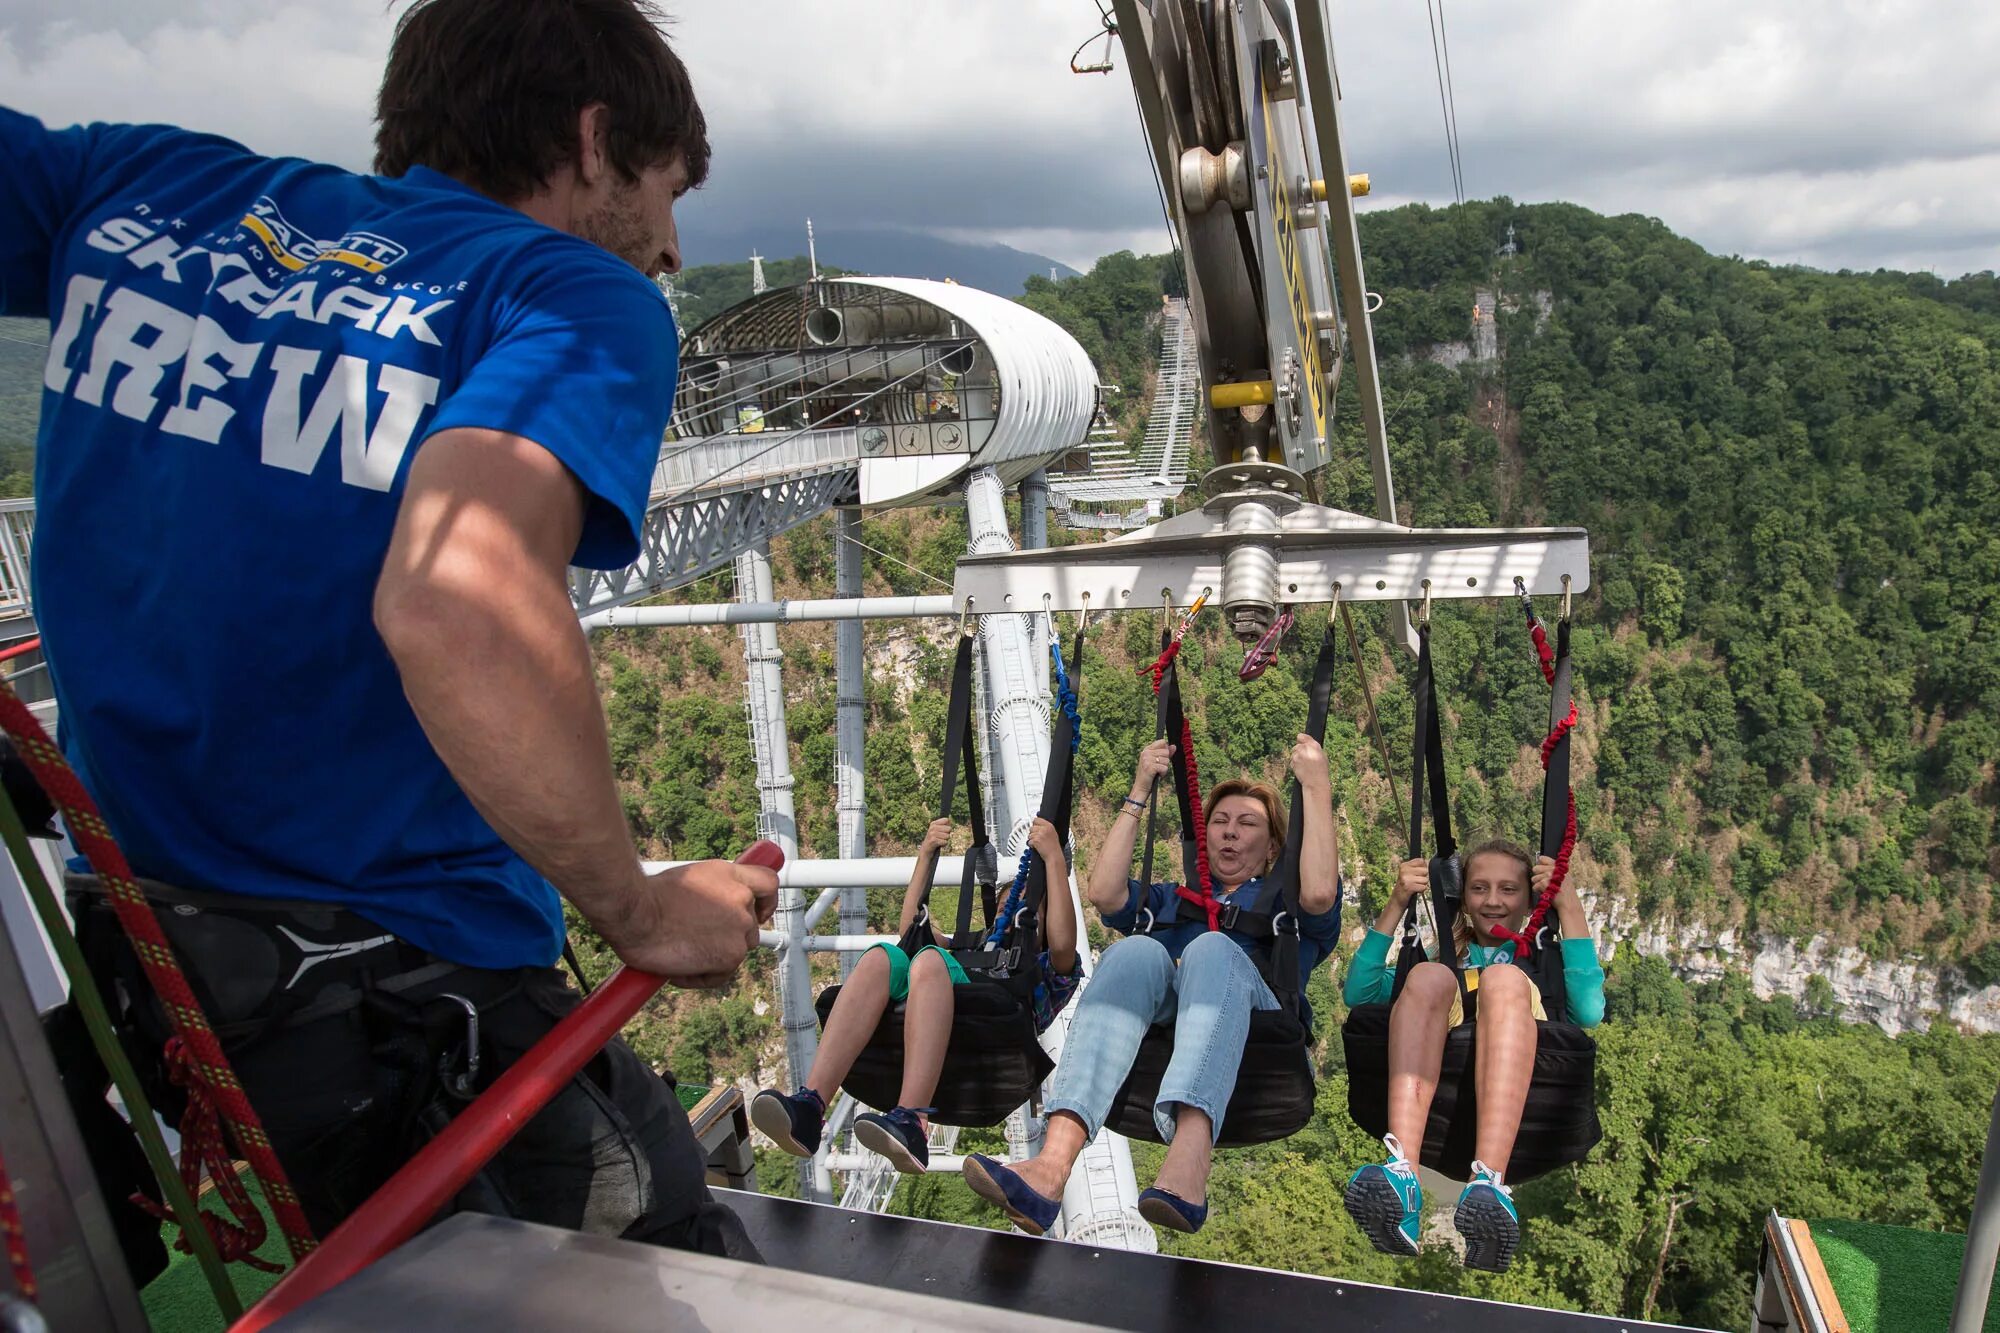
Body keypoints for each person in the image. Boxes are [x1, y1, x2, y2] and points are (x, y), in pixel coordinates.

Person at [0, 0, 778, 1259]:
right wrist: (636, 910)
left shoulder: (138, 186)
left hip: (156, 984)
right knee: (660, 1265)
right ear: (592, 140)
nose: (672, 247)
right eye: (664, 189)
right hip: (395, 1000)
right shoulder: (565, 296)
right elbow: (452, 602)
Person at [963, 735, 1340, 1236]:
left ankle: (1190, 1161)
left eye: (1246, 824)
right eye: (1219, 823)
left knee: (1210, 949)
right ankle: (1051, 1167)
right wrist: (1141, 788)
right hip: (1171, 1019)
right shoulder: (1173, 899)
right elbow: (1103, 893)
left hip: (1262, 1027)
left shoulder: (1288, 907)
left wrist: (1315, 786)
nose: (1229, 834)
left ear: (1272, 847)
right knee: (1134, 951)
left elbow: (1318, 891)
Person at [752, 815, 1080, 1172]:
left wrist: (1055, 863)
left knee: (927, 961)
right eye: (1003, 904)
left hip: (998, 1032)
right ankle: (810, 1106)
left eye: (1027, 911)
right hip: (951, 1013)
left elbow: (1063, 941)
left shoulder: (1047, 970)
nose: (1009, 909)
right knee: (883, 957)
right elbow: (913, 931)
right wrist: (925, 856)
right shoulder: (971, 948)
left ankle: (911, 1121)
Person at [1341, 840, 1605, 1272]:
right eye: (1479, 889)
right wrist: (1396, 903)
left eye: (1508, 889)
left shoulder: (1541, 960)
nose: (1493, 901)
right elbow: (1360, 993)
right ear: (1462, 898)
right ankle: (1402, 1173)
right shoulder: (1450, 956)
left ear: (1528, 899)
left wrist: (1569, 907)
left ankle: (1489, 1183)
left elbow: (1590, 1011)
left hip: (1525, 1061)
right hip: (1445, 1063)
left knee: (1502, 980)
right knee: (1427, 977)